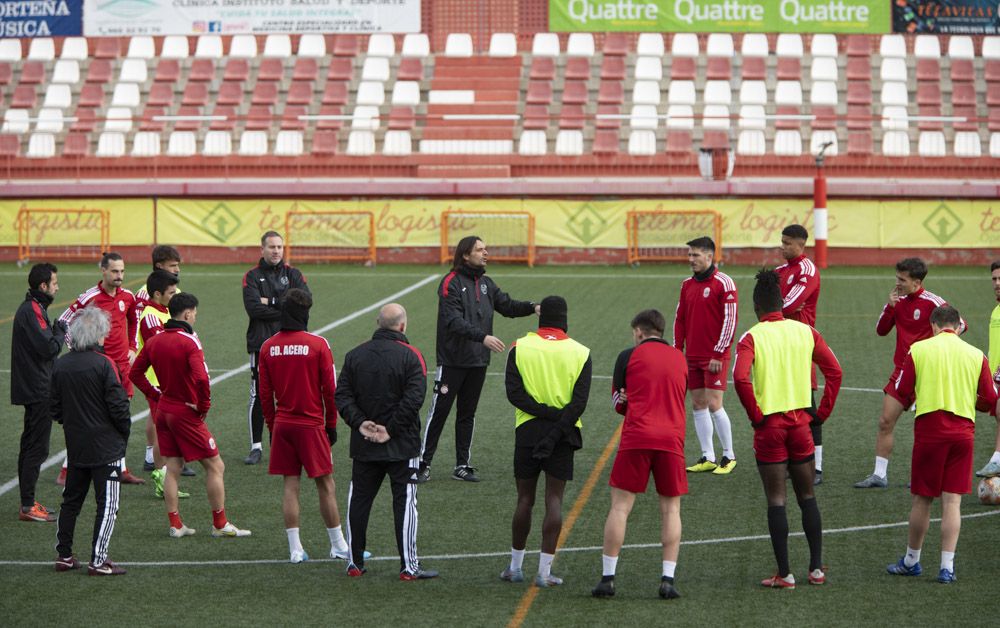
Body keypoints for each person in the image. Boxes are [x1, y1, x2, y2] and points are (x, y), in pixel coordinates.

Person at [733, 269, 842, 589]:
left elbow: (740, 378)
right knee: (807, 496)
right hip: (801, 427)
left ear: (756, 308)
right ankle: (816, 569)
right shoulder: (805, 331)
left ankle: (785, 574)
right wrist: (820, 413)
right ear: (782, 304)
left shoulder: (751, 336)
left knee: (776, 500)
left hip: (770, 428)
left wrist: (756, 414)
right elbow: (835, 372)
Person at [885, 305, 997, 584]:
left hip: (930, 432)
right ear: (959, 326)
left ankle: (912, 560)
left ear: (934, 326)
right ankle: (947, 567)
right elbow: (989, 397)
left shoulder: (919, 350)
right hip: (963, 434)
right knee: (953, 502)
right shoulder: (975, 355)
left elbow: (902, 390)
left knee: (922, 500)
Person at [418, 235, 539, 484]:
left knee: (467, 413)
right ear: (465, 254)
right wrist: (483, 337)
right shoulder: (450, 282)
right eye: (480, 250)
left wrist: (533, 307)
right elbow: (453, 320)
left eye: (486, 249)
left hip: (478, 362)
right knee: (439, 412)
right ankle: (422, 463)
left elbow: (507, 306)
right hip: (452, 361)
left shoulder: (486, 283)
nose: (486, 254)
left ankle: (462, 465)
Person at [130, 293, 251, 539]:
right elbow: (201, 378)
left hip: (164, 410)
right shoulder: (189, 341)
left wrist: (155, 395)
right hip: (184, 412)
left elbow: (135, 373)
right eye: (194, 312)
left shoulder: (155, 341)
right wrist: (203, 406)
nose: (195, 316)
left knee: (172, 467)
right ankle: (220, 524)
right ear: (187, 314)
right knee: (216, 465)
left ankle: (176, 525)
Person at [335, 303, 438, 580]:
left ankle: (354, 563)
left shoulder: (355, 354)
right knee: (405, 504)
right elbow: (414, 399)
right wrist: (390, 429)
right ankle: (408, 566)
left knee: (358, 501)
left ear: (378, 324)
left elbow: (341, 395)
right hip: (402, 445)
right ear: (402, 326)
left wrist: (360, 423)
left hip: (365, 442)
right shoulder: (412, 355)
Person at [591, 309, 687, 601]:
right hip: (671, 438)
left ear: (639, 332)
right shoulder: (679, 358)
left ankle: (608, 578)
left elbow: (618, 402)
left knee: (620, 508)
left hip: (637, 436)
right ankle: (667, 580)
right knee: (671, 510)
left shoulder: (627, 357)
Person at [501, 296, 591, 588]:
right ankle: (544, 572)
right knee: (554, 499)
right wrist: (557, 420)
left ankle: (514, 567)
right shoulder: (580, 352)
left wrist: (542, 413)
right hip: (563, 434)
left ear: (540, 319)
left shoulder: (519, 347)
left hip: (527, 431)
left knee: (524, 499)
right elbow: (578, 404)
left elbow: (514, 394)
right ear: (565, 319)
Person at [258, 288, 353, 564]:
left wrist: (272, 427)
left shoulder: (268, 346)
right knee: (326, 484)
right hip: (311, 425)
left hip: (283, 425)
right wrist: (331, 424)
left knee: (291, 485)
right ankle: (338, 545)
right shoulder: (318, 344)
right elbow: (330, 390)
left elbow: (265, 395)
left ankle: (295, 549)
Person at [855, 258, 966, 488]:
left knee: (927, 430)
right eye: (897, 278)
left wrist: (937, 347)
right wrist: (891, 307)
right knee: (885, 420)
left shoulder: (933, 302)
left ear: (916, 282)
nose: (897, 283)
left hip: (928, 374)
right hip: (902, 372)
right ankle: (879, 475)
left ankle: (925, 474)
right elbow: (881, 330)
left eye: (901, 280)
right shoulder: (898, 301)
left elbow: (961, 325)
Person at [51, 306, 131, 576]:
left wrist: (73, 424)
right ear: (99, 335)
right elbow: (118, 406)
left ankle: (64, 555)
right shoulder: (104, 363)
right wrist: (122, 434)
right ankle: (98, 560)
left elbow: (55, 408)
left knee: (71, 501)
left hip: (76, 446)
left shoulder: (61, 364)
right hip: (106, 447)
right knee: (108, 505)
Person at [57, 252, 143, 486]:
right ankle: (67, 468)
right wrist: (77, 349)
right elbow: (63, 321)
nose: (119, 276)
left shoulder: (128, 296)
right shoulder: (89, 297)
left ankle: (121, 468)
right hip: (96, 368)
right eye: (115, 271)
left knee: (120, 415)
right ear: (103, 271)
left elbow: (135, 319)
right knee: (89, 417)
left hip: (122, 368)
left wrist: (133, 346)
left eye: (122, 271)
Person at [242, 231, 310, 466]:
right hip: (260, 344)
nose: (276, 251)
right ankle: (256, 447)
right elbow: (253, 309)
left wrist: (269, 301)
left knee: (291, 394)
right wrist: (284, 304)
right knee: (259, 395)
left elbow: (305, 302)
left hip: (290, 343)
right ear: (262, 249)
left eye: (279, 247)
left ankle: (290, 444)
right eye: (271, 247)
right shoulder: (251, 276)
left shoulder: (294, 274)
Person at [673, 236, 738, 475]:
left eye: (695, 255)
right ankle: (707, 456)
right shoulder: (686, 285)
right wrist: (676, 351)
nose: (691, 259)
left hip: (715, 357)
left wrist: (719, 353)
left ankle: (729, 455)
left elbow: (730, 322)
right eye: (689, 255)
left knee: (714, 404)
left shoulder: (725, 283)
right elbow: (679, 319)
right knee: (698, 403)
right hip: (692, 356)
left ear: (709, 257)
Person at [11, 263, 66, 522]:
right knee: (36, 447)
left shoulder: (34, 306)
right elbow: (48, 349)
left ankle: (28, 502)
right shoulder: (32, 310)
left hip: (34, 386)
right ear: (43, 286)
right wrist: (60, 331)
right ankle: (27, 505)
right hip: (38, 388)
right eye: (54, 282)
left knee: (31, 445)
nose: (57, 286)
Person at [133, 245, 194, 477]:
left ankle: (155, 457)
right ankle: (162, 462)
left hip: (170, 361)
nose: (177, 270)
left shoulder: (174, 292)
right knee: (164, 416)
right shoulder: (145, 295)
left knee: (157, 413)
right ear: (159, 266)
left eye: (178, 266)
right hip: (156, 365)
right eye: (173, 266)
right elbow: (141, 325)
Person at [775, 224, 825, 484]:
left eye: (787, 243)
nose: (782, 247)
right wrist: (781, 306)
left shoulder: (807, 270)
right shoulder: (778, 271)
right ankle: (789, 460)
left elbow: (789, 304)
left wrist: (781, 306)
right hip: (777, 341)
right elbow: (765, 303)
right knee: (782, 402)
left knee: (807, 404)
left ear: (800, 244)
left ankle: (816, 466)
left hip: (800, 343)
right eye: (781, 242)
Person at [975, 260, 1000, 478]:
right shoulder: (996, 310)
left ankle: (997, 460)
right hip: (995, 376)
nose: (997, 283)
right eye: (994, 279)